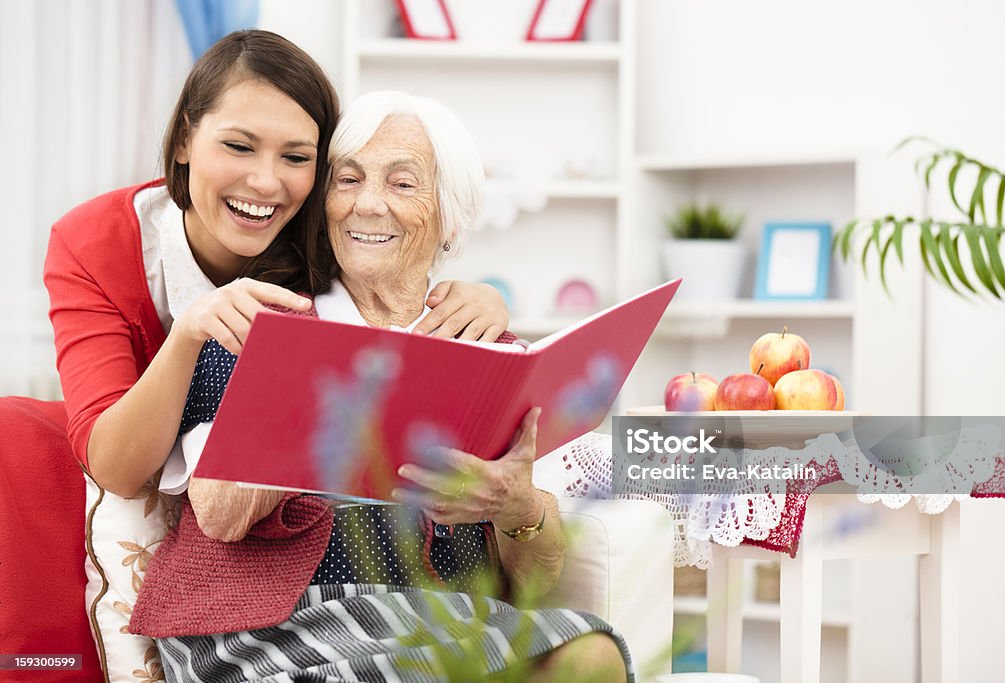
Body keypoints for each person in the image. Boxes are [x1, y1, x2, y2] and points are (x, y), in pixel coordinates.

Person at [127, 91, 632, 683]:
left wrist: (514, 504)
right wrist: (322, 403)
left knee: (591, 657)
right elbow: (217, 513)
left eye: (402, 184)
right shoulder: (259, 325)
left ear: (450, 215)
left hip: (441, 624)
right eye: (348, 180)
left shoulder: (492, 353)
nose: (367, 204)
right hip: (273, 625)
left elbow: (538, 574)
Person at [42, 31, 509, 502]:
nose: (266, 182)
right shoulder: (94, 243)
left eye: (296, 157)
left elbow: (401, 283)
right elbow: (116, 471)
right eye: (239, 146)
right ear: (185, 138)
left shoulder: (328, 226)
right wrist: (189, 332)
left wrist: (477, 298)